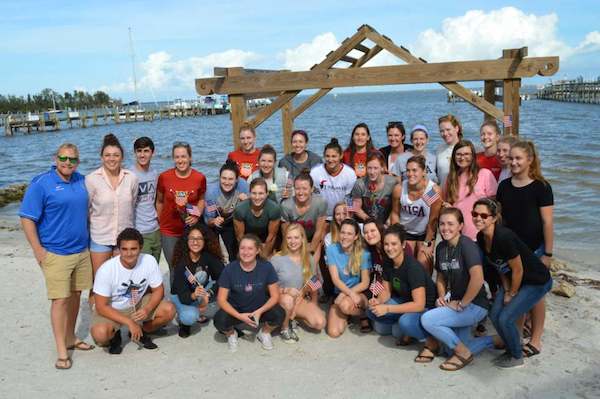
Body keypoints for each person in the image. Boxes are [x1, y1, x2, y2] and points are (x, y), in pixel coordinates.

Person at [20, 143, 94, 370]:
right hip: (55, 253)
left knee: (75, 295)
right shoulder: (41, 183)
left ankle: (71, 337)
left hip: (81, 250)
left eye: (72, 159)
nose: (67, 163)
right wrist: (38, 250)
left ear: (78, 162)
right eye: (63, 158)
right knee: (59, 300)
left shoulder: (81, 180)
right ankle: (62, 350)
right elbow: (27, 218)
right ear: (55, 158)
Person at [473, 198, 552, 368]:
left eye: (484, 215)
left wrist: (511, 293)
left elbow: (518, 270)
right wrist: (506, 288)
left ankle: (517, 356)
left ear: (494, 218)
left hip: (535, 281)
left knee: (506, 317)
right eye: (475, 214)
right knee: (495, 315)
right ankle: (511, 348)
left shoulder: (504, 237)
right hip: (513, 280)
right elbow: (499, 266)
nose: (478, 218)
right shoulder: (481, 237)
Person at [496, 140, 554, 357]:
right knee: (517, 292)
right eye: (511, 158)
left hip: (535, 250)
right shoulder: (504, 186)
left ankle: (536, 339)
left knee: (537, 294)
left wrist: (547, 253)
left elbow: (547, 222)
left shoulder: (542, 187)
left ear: (530, 160)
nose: (513, 162)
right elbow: (500, 219)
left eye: (518, 158)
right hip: (512, 251)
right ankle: (516, 334)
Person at [419, 208, 492, 371]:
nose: (445, 228)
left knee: (428, 320)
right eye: (442, 224)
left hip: (475, 305)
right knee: (446, 351)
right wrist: (442, 297)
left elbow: (478, 278)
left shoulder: (467, 245)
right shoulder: (441, 247)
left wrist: (462, 304)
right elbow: (440, 277)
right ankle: (492, 341)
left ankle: (463, 353)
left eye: (450, 224)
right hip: (455, 302)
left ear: (460, 226)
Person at [90, 228, 176, 354]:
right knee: (101, 335)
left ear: (140, 248)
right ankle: (115, 335)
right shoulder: (106, 270)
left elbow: (159, 290)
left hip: (138, 303)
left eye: (133, 249)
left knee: (169, 310)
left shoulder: (149, 261)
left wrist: (147, 309)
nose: (129, 253)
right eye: (124, 249)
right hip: (113, 308)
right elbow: (101, 306)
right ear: (119, 249)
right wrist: (129, 322)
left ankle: (141, 331)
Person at [367, 224, 436, 349]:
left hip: (425, 307)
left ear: (403, 245)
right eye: (386, 244)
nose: (389, 248)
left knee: (405, 324)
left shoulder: (412, 267)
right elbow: (386, 291)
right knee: (371, 311)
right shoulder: (388, 261)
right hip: (405, 301)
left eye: (394, 244)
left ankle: (431, 339)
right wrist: (378, 300)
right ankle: (402, 324)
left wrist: (387, 309)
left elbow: (419, 304)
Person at [214, 234, 285, 352]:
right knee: (219, 321)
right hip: (237, 310)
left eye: (250, 248)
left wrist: (259, 311)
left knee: (280, 314)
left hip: (260, 310)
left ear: (257, 250)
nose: (246, 252)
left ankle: (264, 333)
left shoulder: (266, 267)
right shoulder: (230, 269)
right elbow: (221, 300)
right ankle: (231, 334)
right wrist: (239, 316)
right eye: (242, 248)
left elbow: (275, 296)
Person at [86, 134, 138, 276]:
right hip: (100, 238)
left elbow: (132, 204)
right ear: (102, 157)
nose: (112, 159)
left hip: (124, 239)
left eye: (116, 155)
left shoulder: (131, 178)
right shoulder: (91, 179)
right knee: (99, 280)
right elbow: (87, 209)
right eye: (107, 155)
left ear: (122, 157)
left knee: (123, 281)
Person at [271, 223, 327, 342]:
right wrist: (285, 290)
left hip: (299, 299)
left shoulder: (309, 258)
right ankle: (284, 328)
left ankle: (292, 317)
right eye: (289, 238)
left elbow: (313, 283)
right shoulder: (277, 259)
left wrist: (313, 303)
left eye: (296, 237)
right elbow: (267, 287)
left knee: (320, 323)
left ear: (302, 239)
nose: (292, 241)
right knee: (288, 300)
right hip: (280, 299)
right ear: (285, 239)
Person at [156, 142, 206, 271]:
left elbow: (201, 200)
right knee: (174, 267)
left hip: (190, 229)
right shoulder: (164, 177)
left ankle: (193, 291)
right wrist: (160, 221)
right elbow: (159, 201)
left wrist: (196, 215)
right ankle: (175, 291)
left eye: (183, 156)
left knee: (192, 265)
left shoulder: (199, 178)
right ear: (173, 159)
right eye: (177, 157)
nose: (180, 160)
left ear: (190, 158)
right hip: (169, 231)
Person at [170, 224, 225, 338]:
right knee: (189, 317)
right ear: (187, 241)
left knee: (227, 287)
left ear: (205, 241)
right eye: (192, 239)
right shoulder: (181, 263)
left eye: (199, 238)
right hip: (182, 296)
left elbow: (224, 277)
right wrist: (195, 296)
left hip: (201, 291)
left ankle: (225, 322)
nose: (196, 242)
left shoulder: (208, 256)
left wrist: (208, 294)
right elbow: (184, 297)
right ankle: (184, 322)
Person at [390, 155, 442, 274]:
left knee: (423, 265)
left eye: (414, 170)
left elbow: (433, 220)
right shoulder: (400, 189)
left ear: (424, 172)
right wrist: (397, 237)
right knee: (404, 266)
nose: (410, 174)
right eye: (408, 170)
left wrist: (427, 243)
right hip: (405, 231)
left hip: (425, 233)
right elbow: (395, 214)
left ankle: (427, 290)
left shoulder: (431, 191)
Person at [325, 219, 372, 337]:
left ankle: (364, 314)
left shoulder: (364, 253)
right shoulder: (331, 249)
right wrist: (347, 294)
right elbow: (335, 279)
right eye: (343, 232)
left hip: (359, 292)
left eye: (349, 234)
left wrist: (347, 294)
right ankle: (348, 314)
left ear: (356, 236)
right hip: (342, 292)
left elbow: (365, 283)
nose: (345, 236)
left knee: (345, 305)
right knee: (333, 332)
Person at [443, 140, 497, 241]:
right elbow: (447, 202)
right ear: (454, 157)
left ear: (473, 156)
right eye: (458, 154)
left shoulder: (485, 174)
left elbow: (495, 205)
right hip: (457, 235)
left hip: (481, 235)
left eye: (466, 154)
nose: (462, 157)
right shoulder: (450, 178)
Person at [204, 160, 249, 262]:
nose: (227, 182)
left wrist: (247, 202)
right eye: (224, 178)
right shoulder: (211, 192)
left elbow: (251, 211)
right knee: (214, 254)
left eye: (230, 179)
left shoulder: (243, 186)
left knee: (234, 251)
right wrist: (214, 221)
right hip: (215, 220)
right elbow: (208, 220)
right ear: (219, 178)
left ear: (237, 180)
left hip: (232, 220)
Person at [280, 172, 328, 257]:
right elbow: (286, 233)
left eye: (305, 188)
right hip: (293, 240)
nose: (301, 192)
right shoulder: (286, 205)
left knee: (311, 265)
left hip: (313, 239)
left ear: (312, 189)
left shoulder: (320, 203)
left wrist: (310, 252)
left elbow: (319, 231)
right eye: (297, 189)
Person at [233, 178, 281, 258]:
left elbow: (271, 237)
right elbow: (239, 236)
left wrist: (264, 256)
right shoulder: (240, 209)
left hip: (265, 238)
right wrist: (247, 253)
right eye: (254, 193)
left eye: (261, 193)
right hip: (247, 237)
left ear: (267, 194)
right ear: (249, 193)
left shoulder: (274, 209)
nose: (257, 197)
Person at [310, 138, 357, 219]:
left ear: (341, 156)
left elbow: (350, 200)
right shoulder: (315, 172)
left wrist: (348, 218)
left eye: (334, 156)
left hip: (342, 216)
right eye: (327, 156)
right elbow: (313, 197)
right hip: (321, 216)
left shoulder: (350, 173)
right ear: (324, 156)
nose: (330, 160)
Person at [131, 136, 161, 263]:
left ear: (152, 153)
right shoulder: (129, 175)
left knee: (155, 267)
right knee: (144, 269)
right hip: (139, 231)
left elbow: (157, 201)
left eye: (146, 151)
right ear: (135, 153)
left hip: (155, 229)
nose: (142, 155)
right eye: (139, 151)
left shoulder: (155, 174)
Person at [351, 151, 397, 225]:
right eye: (369, 168)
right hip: (365, 222)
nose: (372, 172)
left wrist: (388, 222)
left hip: (386, 223)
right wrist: (369, 221)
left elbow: (396, 207)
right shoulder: (359, 184)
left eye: (375, 168)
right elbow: (356, 208)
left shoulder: (392, 183)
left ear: (382, 168)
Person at [435, 114, 462, 188]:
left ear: (456, 128)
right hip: (443, 194)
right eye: (442, 131)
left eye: (448, 129)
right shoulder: (439, 149)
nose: (445, 134)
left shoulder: (467, 148)